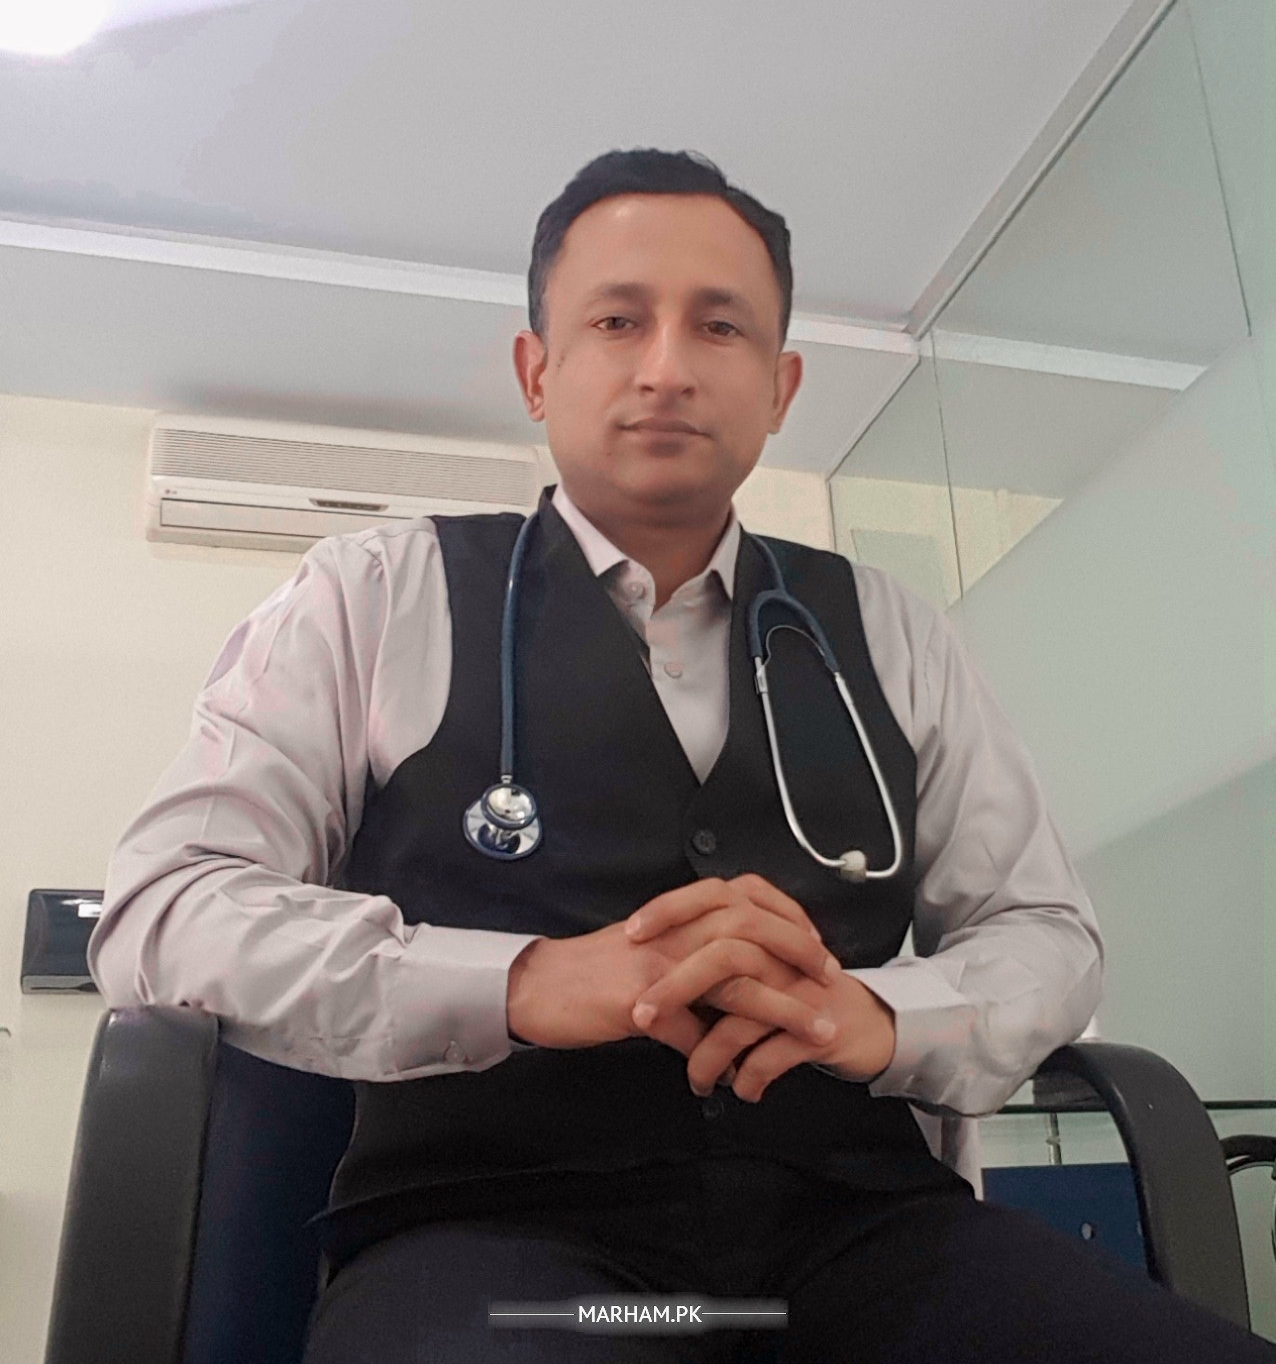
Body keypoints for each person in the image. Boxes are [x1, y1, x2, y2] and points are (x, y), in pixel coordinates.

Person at [89, 149, 1275, 1362]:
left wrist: (879, 1013)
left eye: (720, 326)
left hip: (867, 1248)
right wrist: (521, 981)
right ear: (537, 370)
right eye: (617, 320)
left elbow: (1045, 931)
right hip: (506, 1257)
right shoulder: (374, 597)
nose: (666, 367)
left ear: (780, 385)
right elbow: (166, 908)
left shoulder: (891, 630)